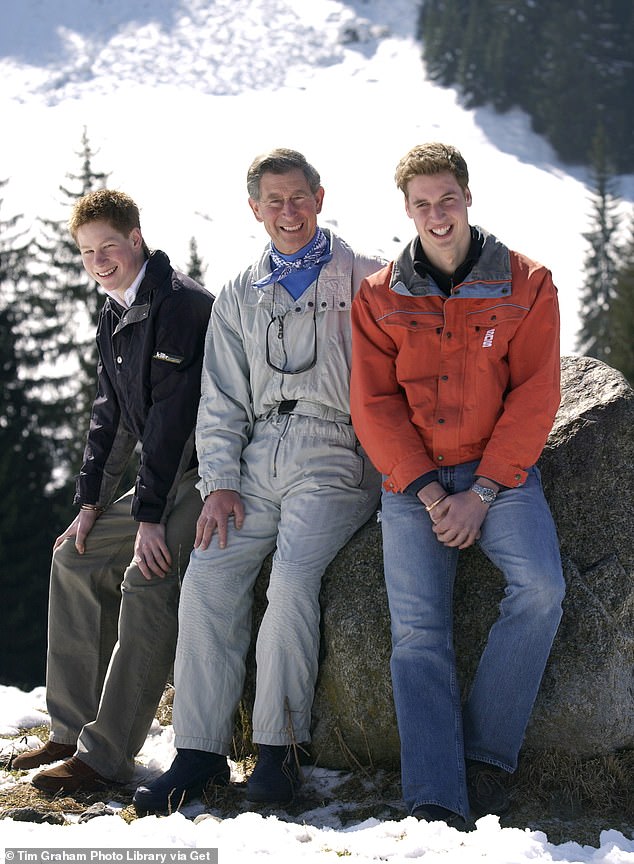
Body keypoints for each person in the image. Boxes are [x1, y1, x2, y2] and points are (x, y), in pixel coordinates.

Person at [133, 148, 384, 812]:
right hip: (256, 456)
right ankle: (199, 754)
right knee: (208, 577)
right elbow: (220, 399)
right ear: (255, 210)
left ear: (320, 197)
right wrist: (219, 482)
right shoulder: (243, 289)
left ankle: (277, 754)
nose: (288, 212)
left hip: (336, 453)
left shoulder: (365, 277)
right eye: (273, 201)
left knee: (294, 582)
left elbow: (394, 381)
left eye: (299, 197)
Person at [349, 143, 565, 828]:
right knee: (418, 633)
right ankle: (436, 796)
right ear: (407, 210)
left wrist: (483, 494)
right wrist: (432, 494)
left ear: (468, 198)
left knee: (542, 588)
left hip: (498, 476)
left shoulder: (528, 283)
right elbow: (373, 405)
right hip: (413, 485)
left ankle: (483, 760)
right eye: (422, 204)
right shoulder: (379, 296)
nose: (437, 215)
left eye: (447, 200)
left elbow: (536, 395)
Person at [12, 190, 214, 793]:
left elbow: (174, 424)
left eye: (108, 247)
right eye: (86, 252)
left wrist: (148, 517)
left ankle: (105, 758)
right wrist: (91, 500)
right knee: (74, 554)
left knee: (147, 574)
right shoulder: (113, 308)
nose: (99, 261)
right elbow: (114, 414)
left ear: (136, 238)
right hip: (162, 480)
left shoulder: (180, 306)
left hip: (212, 475)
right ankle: (69, 729)